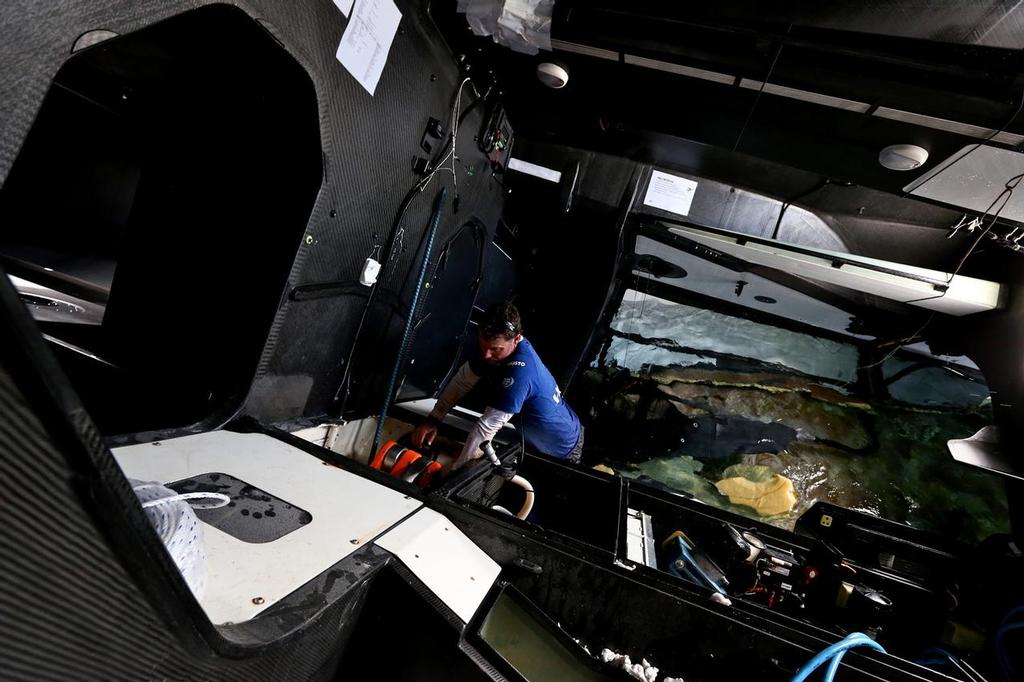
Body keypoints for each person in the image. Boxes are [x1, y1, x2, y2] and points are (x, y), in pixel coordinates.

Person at [411, 302, 584, 470]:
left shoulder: (522, 372)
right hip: (530, 436)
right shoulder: (492, 350)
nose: (487, 355)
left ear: (516, 339)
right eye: (483, 346)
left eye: (495, 349)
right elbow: (462, 382)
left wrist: (456, 472)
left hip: (563, 449)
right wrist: (433, 419)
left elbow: (486, 429)